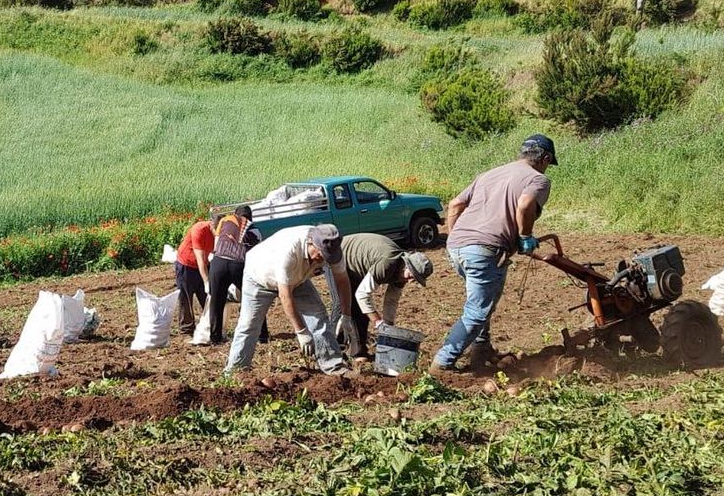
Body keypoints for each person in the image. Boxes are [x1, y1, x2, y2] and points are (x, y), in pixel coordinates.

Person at [433, 134, 557, 371]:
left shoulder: (490, 174)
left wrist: (456, 238)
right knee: (478, 310)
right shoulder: (538, 179)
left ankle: (481, 349)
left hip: (457, 247)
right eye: (549, 163)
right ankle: (442, 363)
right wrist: (525, 236)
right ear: (545, 158)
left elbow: (455, 205)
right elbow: (524, 205)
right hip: (485, 249)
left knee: (480, 300)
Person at [224, 224, 354, 376]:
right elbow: (285, 295)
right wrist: (301, 332)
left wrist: (346, 315)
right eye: (320, 254)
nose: (323, 260)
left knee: (318, 315)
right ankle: (236, 371)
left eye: (327, 256)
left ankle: (333, 366)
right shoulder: (289, 250)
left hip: (297, 278)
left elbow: (342, 281)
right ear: (311, 242)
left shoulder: (333, 250)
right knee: (249, 325)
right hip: (259, 277)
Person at [340, 233, 433, 361]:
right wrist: (378, 322)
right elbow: (362, 295)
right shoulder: (387, 264)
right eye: (411, 276)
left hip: (360, 266)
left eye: (415, 279)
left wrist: (388, 328)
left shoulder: (402, 274)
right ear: (406, 265)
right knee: (343, 306)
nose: (411, 281)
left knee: (362, 311)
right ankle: (334, 352)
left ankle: (358, 352)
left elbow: (391, 300)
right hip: (341, 256)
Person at [207, 205, 269, 345]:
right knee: (253, 298)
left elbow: (216, 245)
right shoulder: (254, 229)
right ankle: (262, 335)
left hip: (219, 263)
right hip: (239, 264)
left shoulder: (225, 221)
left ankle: (215, 338)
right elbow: (255, 253)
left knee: (217, 301)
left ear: (235, 214)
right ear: (250, 217)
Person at [174, 217, 215, 335]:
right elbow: (200, 260)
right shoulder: (199, 229)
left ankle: (211, 325)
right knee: (186, 297)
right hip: (186, 264)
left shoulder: (222, 232)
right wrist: (207, 282)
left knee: (207, 297)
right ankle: (186, 329)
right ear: (211, 224)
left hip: (205, 263)